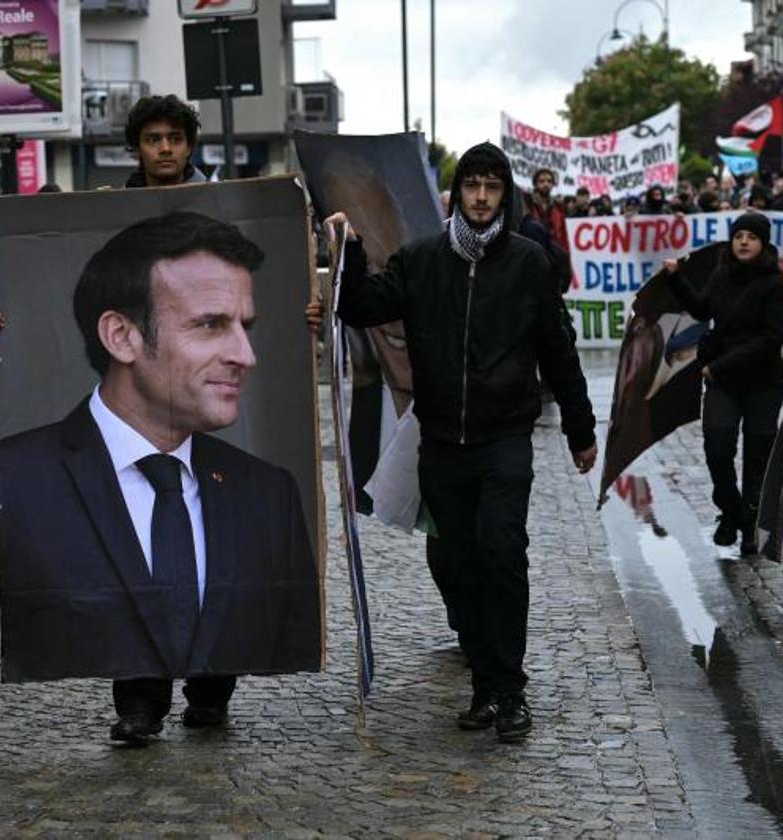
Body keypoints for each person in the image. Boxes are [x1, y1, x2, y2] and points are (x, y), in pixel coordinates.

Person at [0, 212, 321, 745]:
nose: (246, 355)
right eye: (211, 324)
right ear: (121, 336)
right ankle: (140, 702)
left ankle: (211, 694)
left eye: (245, 326)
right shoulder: (24, 480)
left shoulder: (269, 491)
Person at [327, 141, 597, 742]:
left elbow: (557, 350)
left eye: (491, 187)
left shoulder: (528, 263)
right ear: (456, 195)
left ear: (505, 195)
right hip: (443, 440)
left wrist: (581, 428)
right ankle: (484, 686)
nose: (480, 197)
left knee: (502, 552)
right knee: (459, 563)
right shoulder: (421, 259)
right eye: (471, 186)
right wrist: (346, 249)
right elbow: (362, 306)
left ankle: (510, 690)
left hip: (504, 438)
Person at [663, 212, 783, 555]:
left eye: (752, 237)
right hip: (722, 384)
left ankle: (750, 524)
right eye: (739, 235)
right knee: (717, 450)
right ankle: (731, 512)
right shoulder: (721, 275)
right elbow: (702, 310)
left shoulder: (775, 284)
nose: (744, 241)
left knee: (757, 460)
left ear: (763, 243)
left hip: (763, 383)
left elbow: (770, 339)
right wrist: (676, 279)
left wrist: (718, 367)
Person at [124, 94, 207, 188]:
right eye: (153, 140)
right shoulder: (118, 202)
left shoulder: (218, 200)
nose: (165, 149)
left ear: (189, 147)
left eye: (176, 139)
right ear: (137, 148)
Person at [528, 168, 568, 251]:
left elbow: (563, 235)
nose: (546, 184)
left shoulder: (558, 207)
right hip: (533, 252)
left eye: (549, 181)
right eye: (542, 181)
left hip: (554, 253)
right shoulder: (527, 203)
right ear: (535, 184)